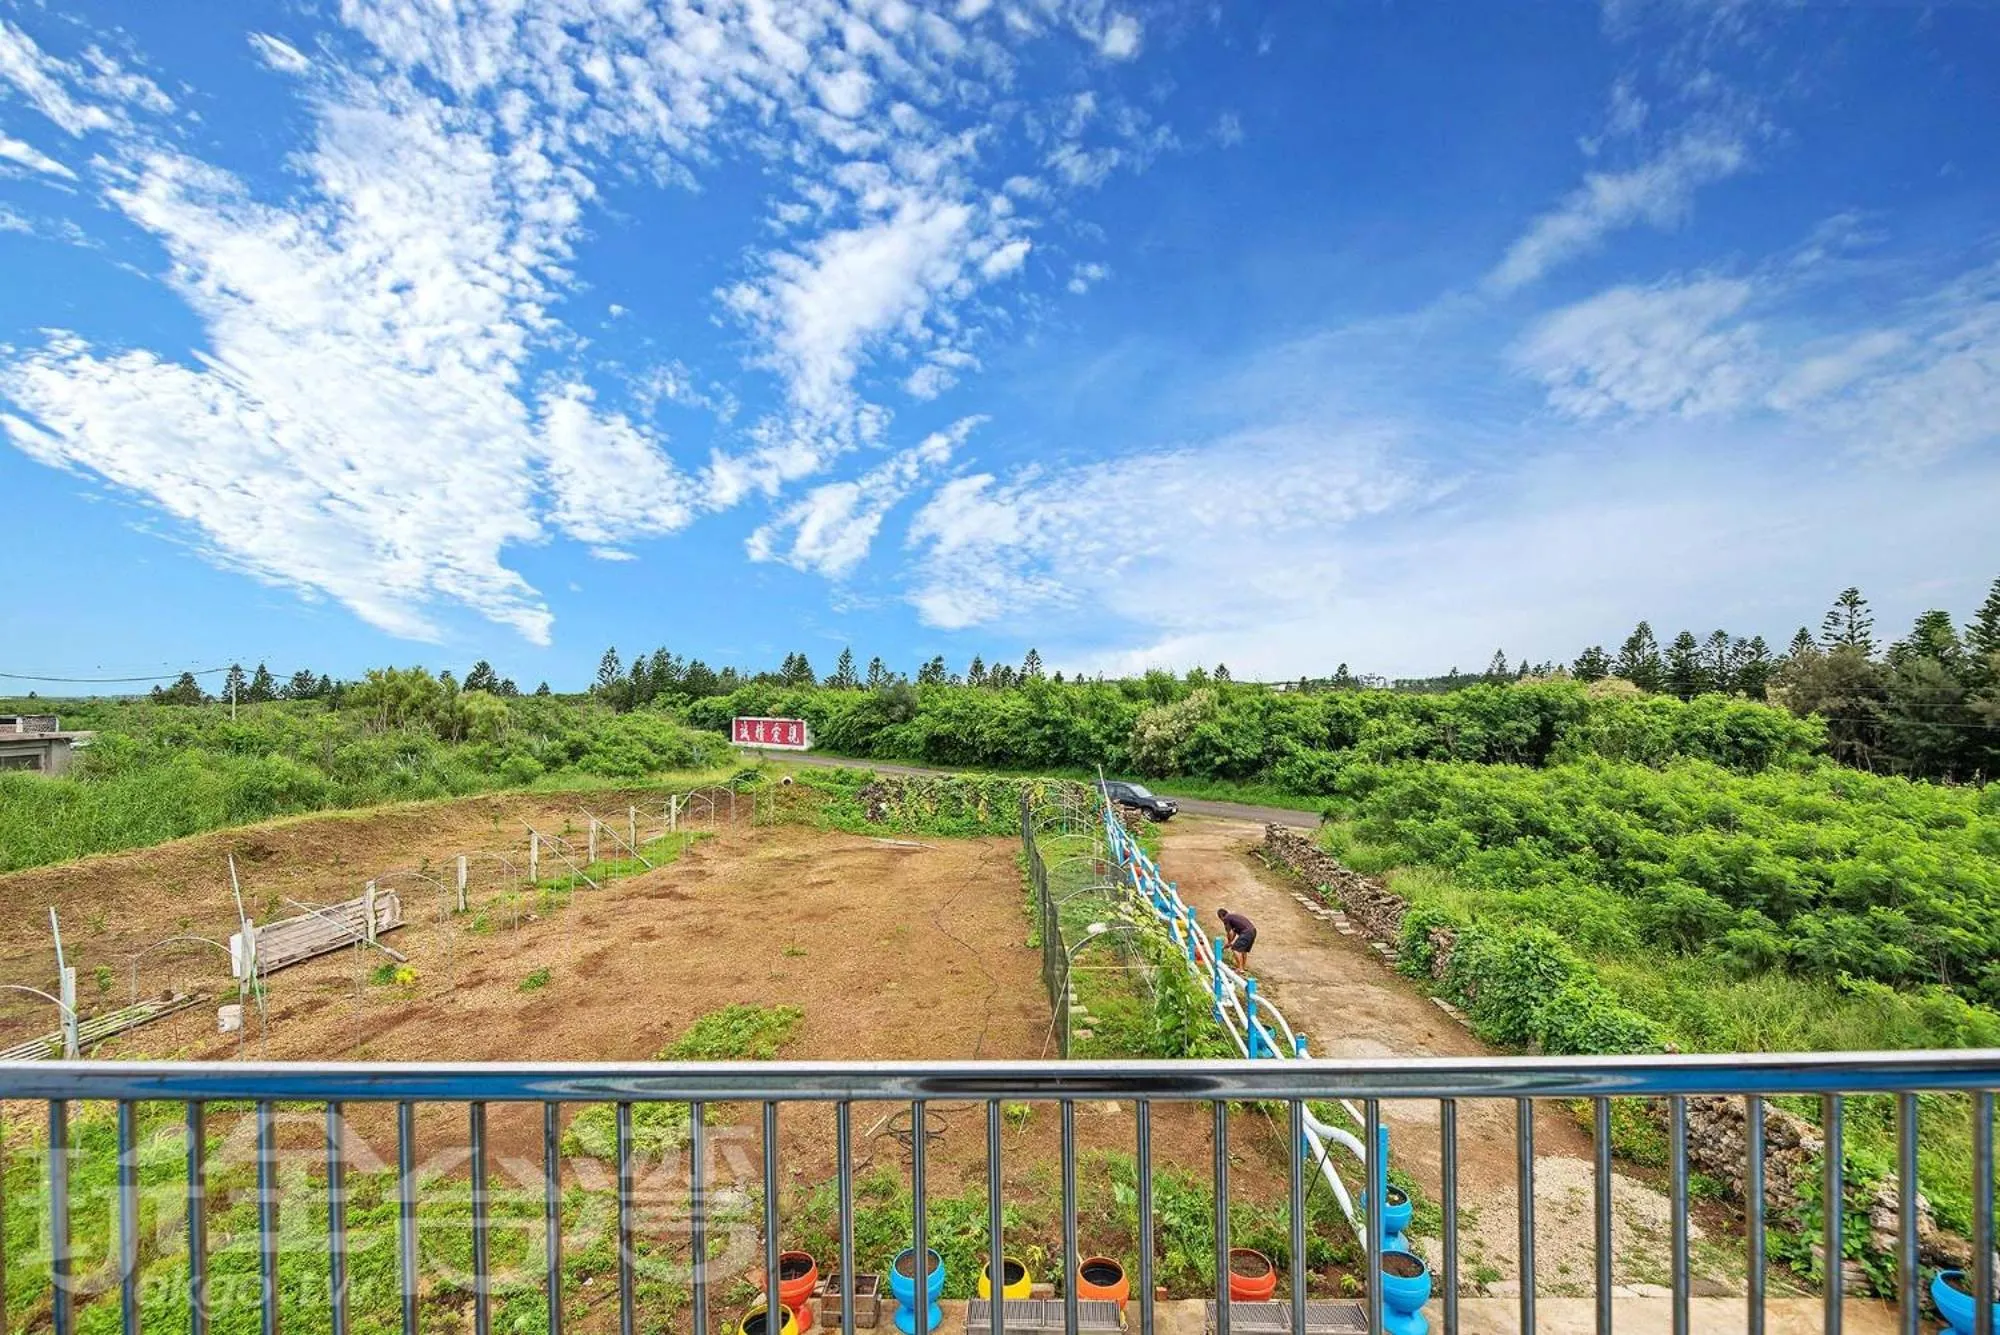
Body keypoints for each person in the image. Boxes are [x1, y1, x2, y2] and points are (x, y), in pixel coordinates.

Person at [1216, 907, 1256, 971]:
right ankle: (1243, 967)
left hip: (1246, 932)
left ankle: (1240, 968)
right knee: (1243, 950)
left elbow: (1230, 933)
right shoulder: (1232, 917)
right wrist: (1229, 943)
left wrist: (1229, 942)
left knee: (1235, 950)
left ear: (1221, 917)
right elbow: (1234, 933)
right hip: (1253, 931)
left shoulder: (1226, 919)